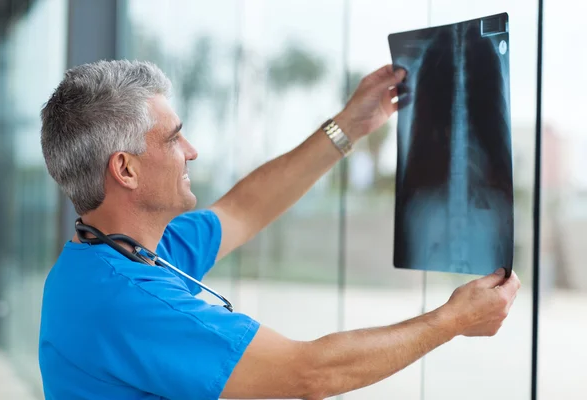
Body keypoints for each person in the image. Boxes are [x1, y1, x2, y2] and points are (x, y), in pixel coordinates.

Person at [38, 59, 520, 400]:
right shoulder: (128, 301)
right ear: (125, 169)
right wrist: (453, 321)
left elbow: (244, 209)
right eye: (172, 137)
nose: (192, 150)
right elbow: (312, 373)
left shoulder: (113, 255)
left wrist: (349, 126)